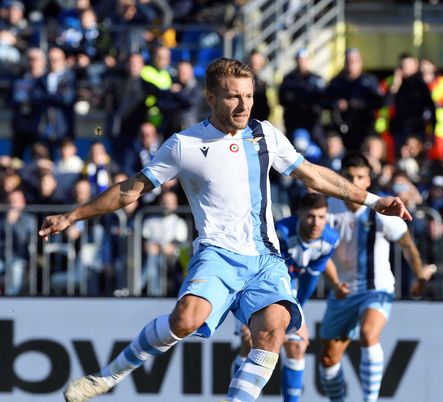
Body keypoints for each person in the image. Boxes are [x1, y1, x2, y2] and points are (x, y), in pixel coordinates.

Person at [41, 57, 412, 402]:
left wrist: (374, 200)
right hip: (217, 254)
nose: (243, 105)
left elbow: (313, 176)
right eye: (233, 97)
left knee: (274, 328)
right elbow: (130, 190)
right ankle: (109, 375)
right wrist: (72, 215)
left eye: (249, 96)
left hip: (265, 258)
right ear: (211, 98)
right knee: (185, 320)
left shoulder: (265, 135)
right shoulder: (184, 145)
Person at [318, 152, 427, 402]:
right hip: (343, 290)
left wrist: (420, 277)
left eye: (360, 176)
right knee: (328, 359)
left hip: (376, 287)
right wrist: (335, 283)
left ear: (368, 180)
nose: (355, 181)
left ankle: (370, 400)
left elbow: (407, 244)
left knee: (368, 334)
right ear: (340, 179)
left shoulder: (380, 208)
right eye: (349, 176)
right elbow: (318, 251)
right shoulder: (329, 208)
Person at [233, 192, 345, 402]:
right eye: (311, 216)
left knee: (296, 345)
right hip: (258, 285)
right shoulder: (280, 233)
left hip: (289, 290)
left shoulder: (330, 239)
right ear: (300, 214)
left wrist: (297, 313)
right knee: (250, 343)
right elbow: (261, 270)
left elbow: (311, 278)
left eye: (321, 217)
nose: (316, 223)